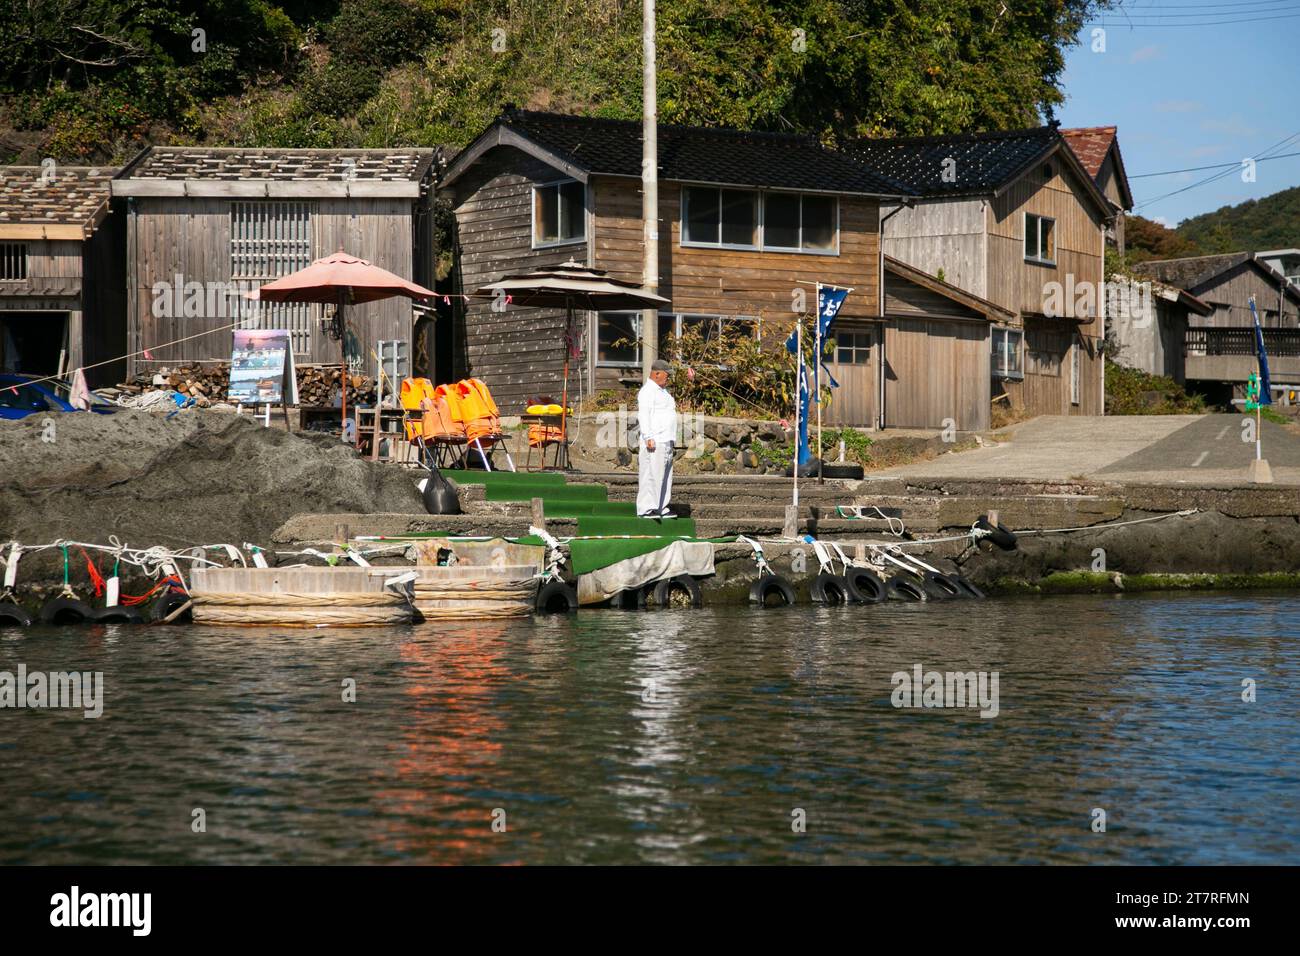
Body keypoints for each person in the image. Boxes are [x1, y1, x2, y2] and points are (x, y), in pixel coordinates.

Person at [636, 358, 678, 518]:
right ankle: (647, 508)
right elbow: (644, 415)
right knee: (651, 473)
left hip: (666, 439)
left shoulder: (663, 391)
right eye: (667, 375)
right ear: (657, 374)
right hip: (655, 439)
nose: (669, 378)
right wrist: (648, 436)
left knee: (664, 475)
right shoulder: (647, 391)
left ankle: (661, 506)